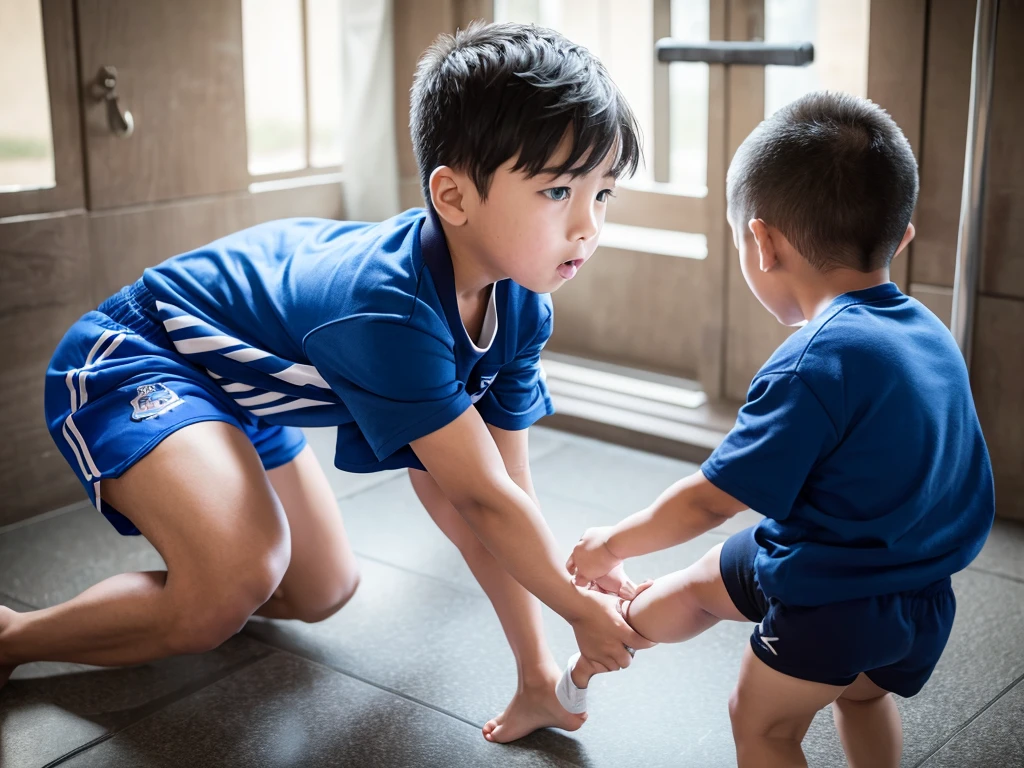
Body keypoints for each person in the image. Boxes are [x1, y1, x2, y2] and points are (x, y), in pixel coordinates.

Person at [0, 21, 653, 743]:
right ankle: (14, 636)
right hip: (136, 357)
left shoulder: (522, 306)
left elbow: (503, 498)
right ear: (454, 196)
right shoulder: (389, 312)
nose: (588, 227)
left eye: (604, 194)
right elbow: (480, 499)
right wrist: (573, 605)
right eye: (559, 190)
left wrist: (538, 674)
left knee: (321, 589)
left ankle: (195, 574)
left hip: (241, 390)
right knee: (234, 582)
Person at [561, 91, 995, 767]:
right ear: (902, 237)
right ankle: (620, 630)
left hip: (833, 600)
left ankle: (614, 624)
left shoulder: (814, 361)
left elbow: (712, 499)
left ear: (761, 243)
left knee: (763, 727)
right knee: (850, 688)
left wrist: (611, 543)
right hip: (922, 597)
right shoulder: (930, 335)